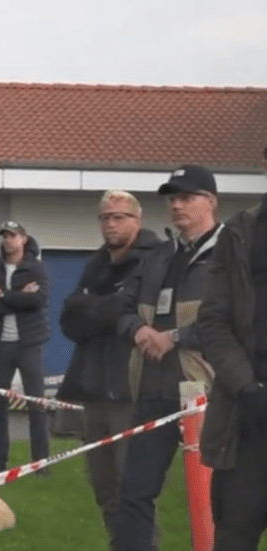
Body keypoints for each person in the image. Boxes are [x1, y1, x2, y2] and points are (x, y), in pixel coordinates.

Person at [113, 165, 223, 551]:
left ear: (209, 202)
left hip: (211, 394)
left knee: (217, 498)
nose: (176, 206)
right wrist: (138, 331)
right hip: (153, 390)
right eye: (171, 199)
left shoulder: (234, 255)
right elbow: (123, 306)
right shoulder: (158, 255)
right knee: (134, 493)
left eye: (185, 197)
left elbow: (243, 322)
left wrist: (176, 337)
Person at [57, 190, 161, 546]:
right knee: (103, 488)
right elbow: (68, 321)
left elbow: (124, 309)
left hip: (130, 389)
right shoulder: (97, 263)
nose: (111, 224)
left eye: (119, 217)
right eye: (105, 217)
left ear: (137, 220)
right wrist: (102, 307)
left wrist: (91, 305)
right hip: (92, 389)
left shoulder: (153, 259)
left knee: (130, 487)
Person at [197, 145, 267, 551]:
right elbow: (213, 320)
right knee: (235, 536)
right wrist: (247, 388)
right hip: (246, 420)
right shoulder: (240, 234)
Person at [0, 220, 51, 476]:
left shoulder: (35, 269)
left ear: (23, 239)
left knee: (36, 405)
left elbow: (39, 301)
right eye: (5, 236)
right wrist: (20, 296)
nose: (8, 240)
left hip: (29, 345)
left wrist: (5, 295)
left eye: (12, 235)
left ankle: (40, 464)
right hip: (0, 346)